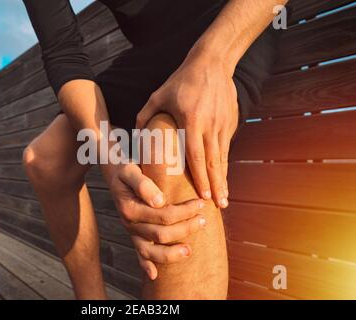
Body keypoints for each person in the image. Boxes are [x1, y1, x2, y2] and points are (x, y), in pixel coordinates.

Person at [22, 0, 288, 299]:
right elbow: (63, 53)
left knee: (165, 149)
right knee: (45, 159)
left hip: (228, 26)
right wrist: (111, 162)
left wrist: (211, 61)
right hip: (150, 52)